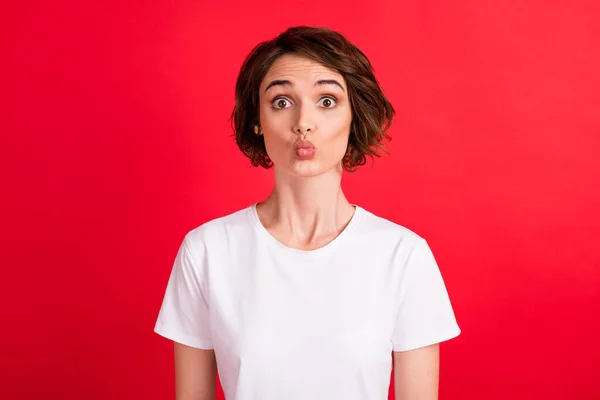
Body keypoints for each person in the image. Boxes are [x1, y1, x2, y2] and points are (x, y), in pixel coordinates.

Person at [154, 25, 461, 400]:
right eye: (282, 101)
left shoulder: (403, 255)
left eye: (327, 101)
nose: (303, 122)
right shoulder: (207, 251)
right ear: (257, 120)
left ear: (354, 116)